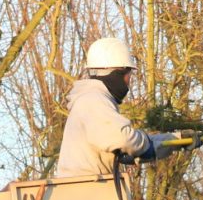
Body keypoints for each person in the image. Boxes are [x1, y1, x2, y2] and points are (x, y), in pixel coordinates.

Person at [52, 36, 173, 180]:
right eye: (129, 74)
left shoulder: (92, 101)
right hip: (87, 193)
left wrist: (176, 140)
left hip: (87, 189)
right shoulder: (93, 100)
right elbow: (123, 138)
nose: (129, 81)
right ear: (117, 72)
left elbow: (124, 142)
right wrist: (146, 145)